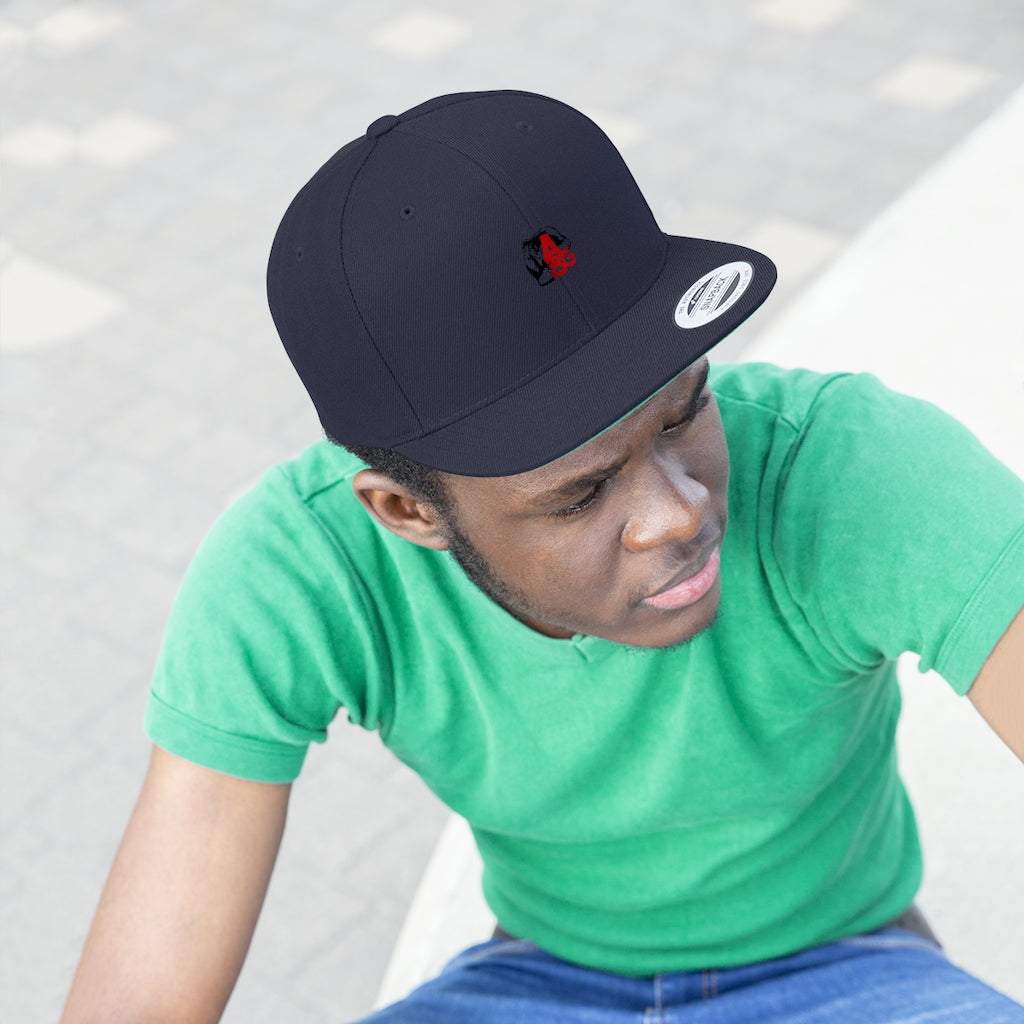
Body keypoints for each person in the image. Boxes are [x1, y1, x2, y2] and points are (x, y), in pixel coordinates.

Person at [61, 90, 1024, 1023]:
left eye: (683, 410)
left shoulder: (849, 465)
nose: (678, 513)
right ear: (407, 512)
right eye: (581, 493)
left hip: (851, 962)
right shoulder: (304, 570)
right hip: (538, 982)